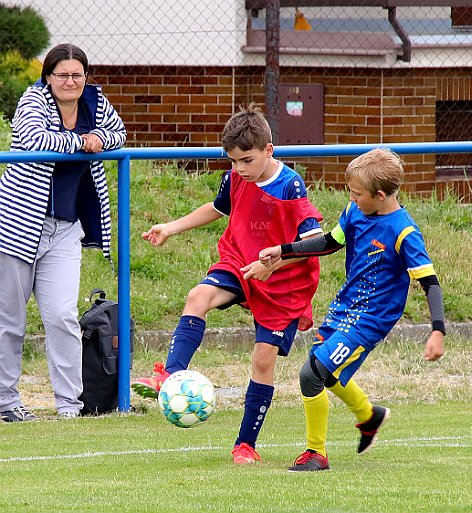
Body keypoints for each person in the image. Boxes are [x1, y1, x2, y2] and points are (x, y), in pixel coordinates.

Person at [131, 103, 323, 464]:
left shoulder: (290, 184)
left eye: (246, 160)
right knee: (198, 296)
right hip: (239, 260)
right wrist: (170, 227)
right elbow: (218, 208)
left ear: (269, 150)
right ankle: (169, 376)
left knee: (262, 360)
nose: (239, 169)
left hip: (284, 280)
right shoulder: (234, 178)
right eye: (233, 161)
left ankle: (245, 445)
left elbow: (314, 241)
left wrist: (276, 262)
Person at [258, 148, 445, 471]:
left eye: (358, 194)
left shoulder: (404, 232)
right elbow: (330, 242)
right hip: (344, 306)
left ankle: (316, 453)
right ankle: (369, 415)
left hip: (371, 319)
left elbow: (430, 283)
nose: (353, 199)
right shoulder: (355, 212)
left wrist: (438, 330)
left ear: (381, 194)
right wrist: (284, 251)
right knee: (325, 373)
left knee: (312, 373)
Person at [0, 43, 126, 422]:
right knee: (10, 321)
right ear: (48, 77)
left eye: (77, 74)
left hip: (65, 229)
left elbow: (119, 133)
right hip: (18, 226)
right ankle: (6, 404)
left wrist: (100, 139)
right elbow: (36, 140)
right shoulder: (33, 99)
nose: (70, 81)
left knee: (62, 316)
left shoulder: (95, 101)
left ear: (86, 76)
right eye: (62, 74)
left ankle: (68, 407)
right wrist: (84, 143)